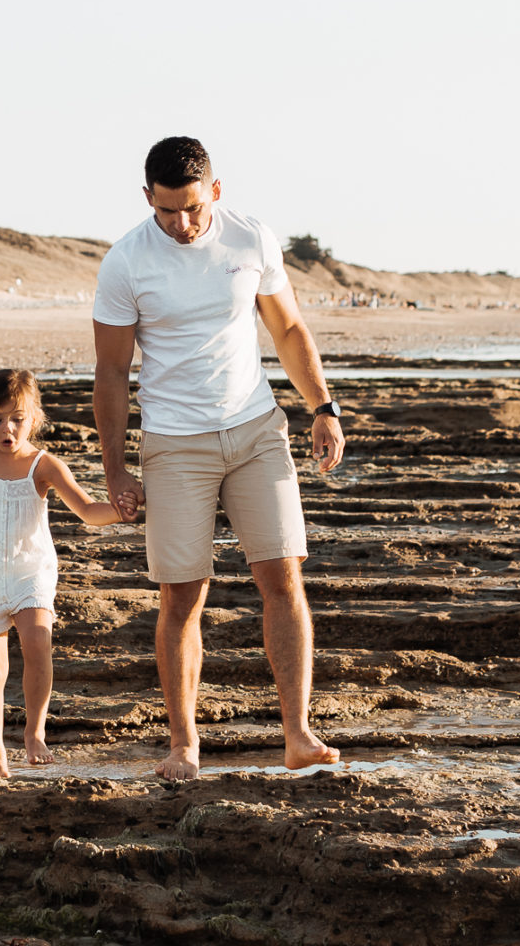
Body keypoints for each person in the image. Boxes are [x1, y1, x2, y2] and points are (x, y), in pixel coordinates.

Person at [91, 135, 345, 781]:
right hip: (175, 444)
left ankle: (298, 735)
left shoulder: (250, 237)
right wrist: (116, 467)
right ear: (147, 197)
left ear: (217, 192)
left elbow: (286, 328)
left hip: (257, 429)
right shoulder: (126, 262)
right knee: (183, 596)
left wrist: (322, 407)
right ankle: (183, 746)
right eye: (167, 211)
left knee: (283, 578)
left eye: (194, 209)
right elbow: (113, 372)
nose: (182, 223)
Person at [0, 368, 123, 777]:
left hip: (29, 572)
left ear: (34, 417)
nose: (7, 428)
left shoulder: (44, 465)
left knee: (38, 640)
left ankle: (34, 732)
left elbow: (89, 512)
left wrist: (124, 509)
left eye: (17, 418)